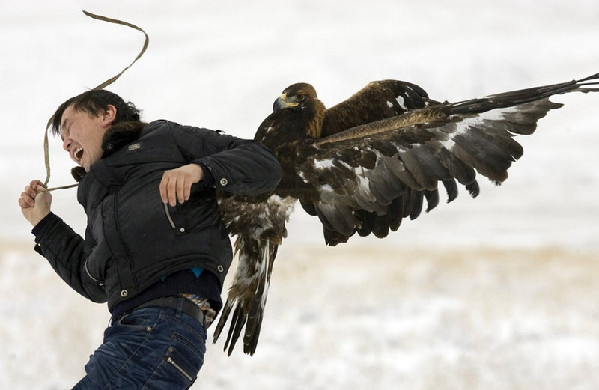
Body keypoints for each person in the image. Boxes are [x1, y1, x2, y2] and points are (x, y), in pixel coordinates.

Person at [18, 89, 283, 389]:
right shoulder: (97, 195)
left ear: (106, 115)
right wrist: (43, 223)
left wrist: (200, 170)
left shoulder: (163, 138)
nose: (65, 144)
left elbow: (264, 163)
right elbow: (92, 281)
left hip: (162, 324)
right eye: (62, 140)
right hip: (133, 332)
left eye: (69, 127)